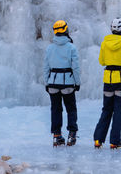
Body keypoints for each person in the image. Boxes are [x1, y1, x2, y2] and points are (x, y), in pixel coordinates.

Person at [93, 17, 121, 149]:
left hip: (108, 80)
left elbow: (102, 62)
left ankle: (98, 139)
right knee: (118, 112)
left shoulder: (105, 43)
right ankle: (115, 141)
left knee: (106, 110)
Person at [42, 19, 81, 147]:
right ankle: (72, 134)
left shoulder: (50, 48)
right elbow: (75, 67)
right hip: (68, 83)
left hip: (53, 82)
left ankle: (57, 135)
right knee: (71, 109)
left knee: (56, 109)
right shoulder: (71, 47)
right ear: (66, 30)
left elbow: (46, 67)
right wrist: (77, 82)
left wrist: (47, 82)